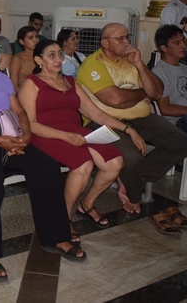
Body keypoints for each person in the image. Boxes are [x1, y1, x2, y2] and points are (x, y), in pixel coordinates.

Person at [0, 34, 85, 282]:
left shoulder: (1, 78)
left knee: (46, 167)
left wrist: (25, 138)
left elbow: (19, 111)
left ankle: (56, 236)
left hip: (6, 133)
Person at [19, 40, 140, 241]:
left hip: (75, 131)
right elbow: (30, 124)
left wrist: (128, 129)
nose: (58, 59)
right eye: (51, 55)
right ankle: (63, 217)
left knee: (115, 162)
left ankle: (87, 204)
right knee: (83, 164)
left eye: (60, 54)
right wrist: (65, 136)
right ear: (39, 60)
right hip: (45, 134)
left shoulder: (70, 81)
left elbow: (96, 114)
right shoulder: (31, 84)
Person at [76, 23, 187, 214]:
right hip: (103, 122)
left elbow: (156, 92)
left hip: (141, 118)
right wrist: (143, 93)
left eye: (127, 37)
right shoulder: (93, 63)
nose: (126, 42)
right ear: (105, 42)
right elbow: (115, 100)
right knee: (132, 157)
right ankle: (133, 194)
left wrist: (139, 65)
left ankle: (129, 177)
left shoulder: (130, 60)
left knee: (181, 142)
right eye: (120, 39)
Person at [9, 26, 38, 92]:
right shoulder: (18, 59)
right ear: (22, 41)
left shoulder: (41, 56)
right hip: (24, 93)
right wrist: (23, 96)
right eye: (30, 38)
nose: (35, 40)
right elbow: (14, 85)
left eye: (36, 37)